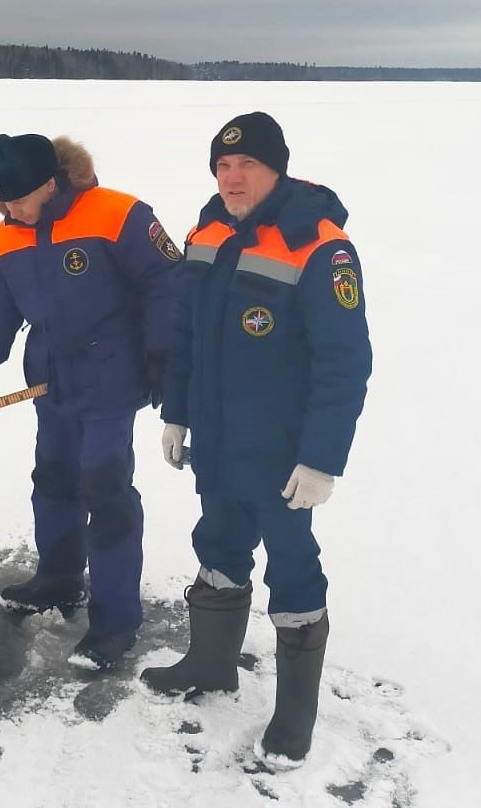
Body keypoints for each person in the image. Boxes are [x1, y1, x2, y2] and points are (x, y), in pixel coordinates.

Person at [142, 112, 372, 762]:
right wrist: (177, 413)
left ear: (277, 168)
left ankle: (295, 716)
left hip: (282, 455)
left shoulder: (319, 244)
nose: (233, 176)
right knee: (217, 542)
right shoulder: (206, 230)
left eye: (246, 164)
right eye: (222, 165)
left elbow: (344, 361)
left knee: (293, 567)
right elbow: (187, 335)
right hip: (216, 440)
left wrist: (322, 460)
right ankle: (210, 666)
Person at [0, 133, 181, 670]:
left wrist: (162, 355)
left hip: (112, 378)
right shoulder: (3, 241)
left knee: (105, 487)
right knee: (53, 478)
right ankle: (58, 579)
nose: (8, 211)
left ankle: (116, 620)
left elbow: (168, 282)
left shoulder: (117, 214)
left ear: (49, 184)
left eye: (16, 200)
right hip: (50, 384)